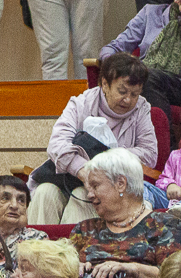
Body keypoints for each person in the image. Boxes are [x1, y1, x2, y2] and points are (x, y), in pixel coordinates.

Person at [28, 54, 163, 225]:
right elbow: (57, 145)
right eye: (122, 92)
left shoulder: (141, 109)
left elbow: (149, 154)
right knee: (44, 192)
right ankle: (37, 242)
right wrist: (83, 170)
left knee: (83, 194)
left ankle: (75, 243)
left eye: (134, 94)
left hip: (111, 188)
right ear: (105, 84)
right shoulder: (81, 103)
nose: (128, 99)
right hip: (70, 177)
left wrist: (106, 160)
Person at [67, 147, 181, 278]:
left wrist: (131, 269)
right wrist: (71, 270)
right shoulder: (84, 229)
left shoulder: (165, 225)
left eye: (95, 186)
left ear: (121, 183)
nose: (89, 195)